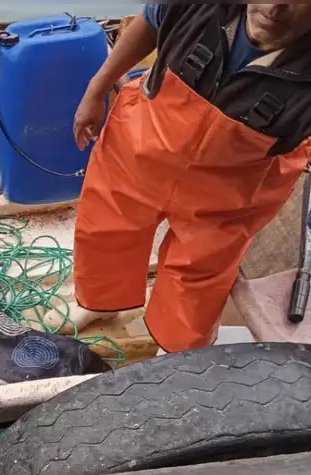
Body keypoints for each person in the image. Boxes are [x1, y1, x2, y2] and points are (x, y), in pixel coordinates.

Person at [46, 4, 311, 355]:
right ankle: (100, 304)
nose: (274, 6)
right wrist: (98, 87)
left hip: (227, 194)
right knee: (105, 230)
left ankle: (176, 353)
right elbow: (153, 20)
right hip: (141, 150)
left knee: (198, 276)